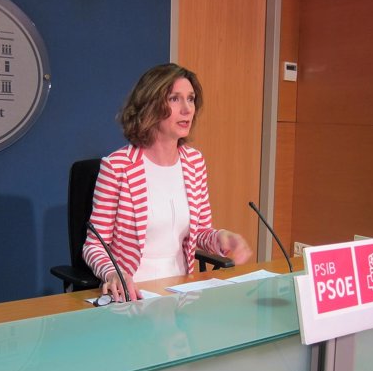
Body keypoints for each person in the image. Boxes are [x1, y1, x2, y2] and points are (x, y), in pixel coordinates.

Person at [83, 63, 252, 302]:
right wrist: (113, 272)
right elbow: (93, 245)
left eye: (191, 99)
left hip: (181, 295)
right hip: (133, 295)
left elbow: (200, 232)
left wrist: (222, 237)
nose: (187, 109)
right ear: (150, 105)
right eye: (175, 99)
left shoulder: (194, 162)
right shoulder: (117, 166)